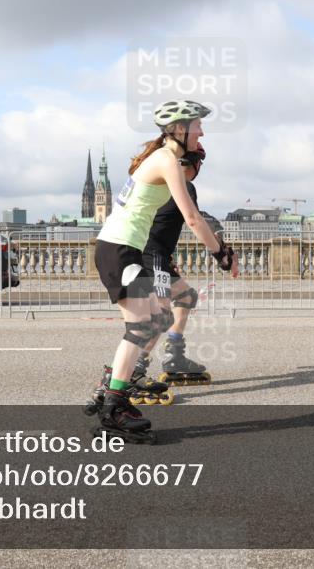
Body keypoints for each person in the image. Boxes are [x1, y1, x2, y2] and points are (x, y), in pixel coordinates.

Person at [85, 100, 236, 443]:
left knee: (155, 320)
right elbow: (193, 218)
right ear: (179, 129)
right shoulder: (166, 160)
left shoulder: (164, 158)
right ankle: (114, 408)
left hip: (123, 249)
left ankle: (113, 388)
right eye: (197, 126)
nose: (202, 132)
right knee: (142, 326)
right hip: (119, 249)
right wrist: (221, 254)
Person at [136, 142, 215, 387]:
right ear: (195, 164)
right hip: (153, 255)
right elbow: (195, 219)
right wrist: (221, 250)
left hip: (151, 253)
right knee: (161, 315)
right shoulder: (183, 185)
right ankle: (135, 368)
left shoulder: (160, 181)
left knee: (186, 297)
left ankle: (174, 355)